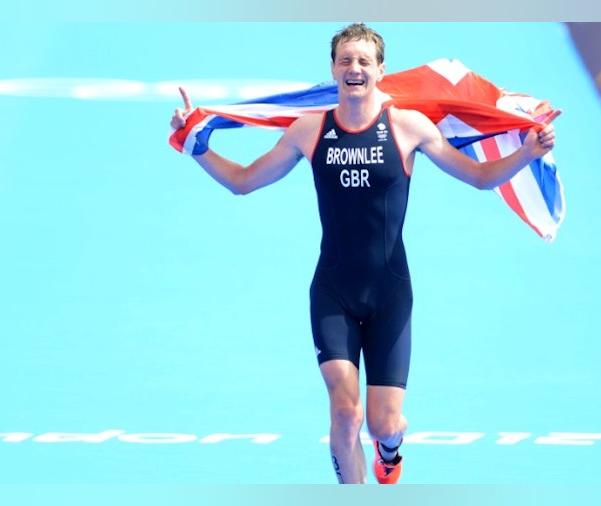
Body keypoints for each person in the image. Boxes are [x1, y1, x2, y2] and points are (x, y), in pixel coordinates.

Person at [170, 23, 558, 484]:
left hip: (390, 294)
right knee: (345, 414)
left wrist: (527, 153)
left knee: (383, 423)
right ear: (333, 69)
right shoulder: (308, 130)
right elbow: (243, 182)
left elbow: (477, 177)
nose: (354, 69)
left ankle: (390, 452)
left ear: (380, 70)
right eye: (345, 61)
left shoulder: (409, 128)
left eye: (363, 61)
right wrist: (197, 146)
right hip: (333, 292)